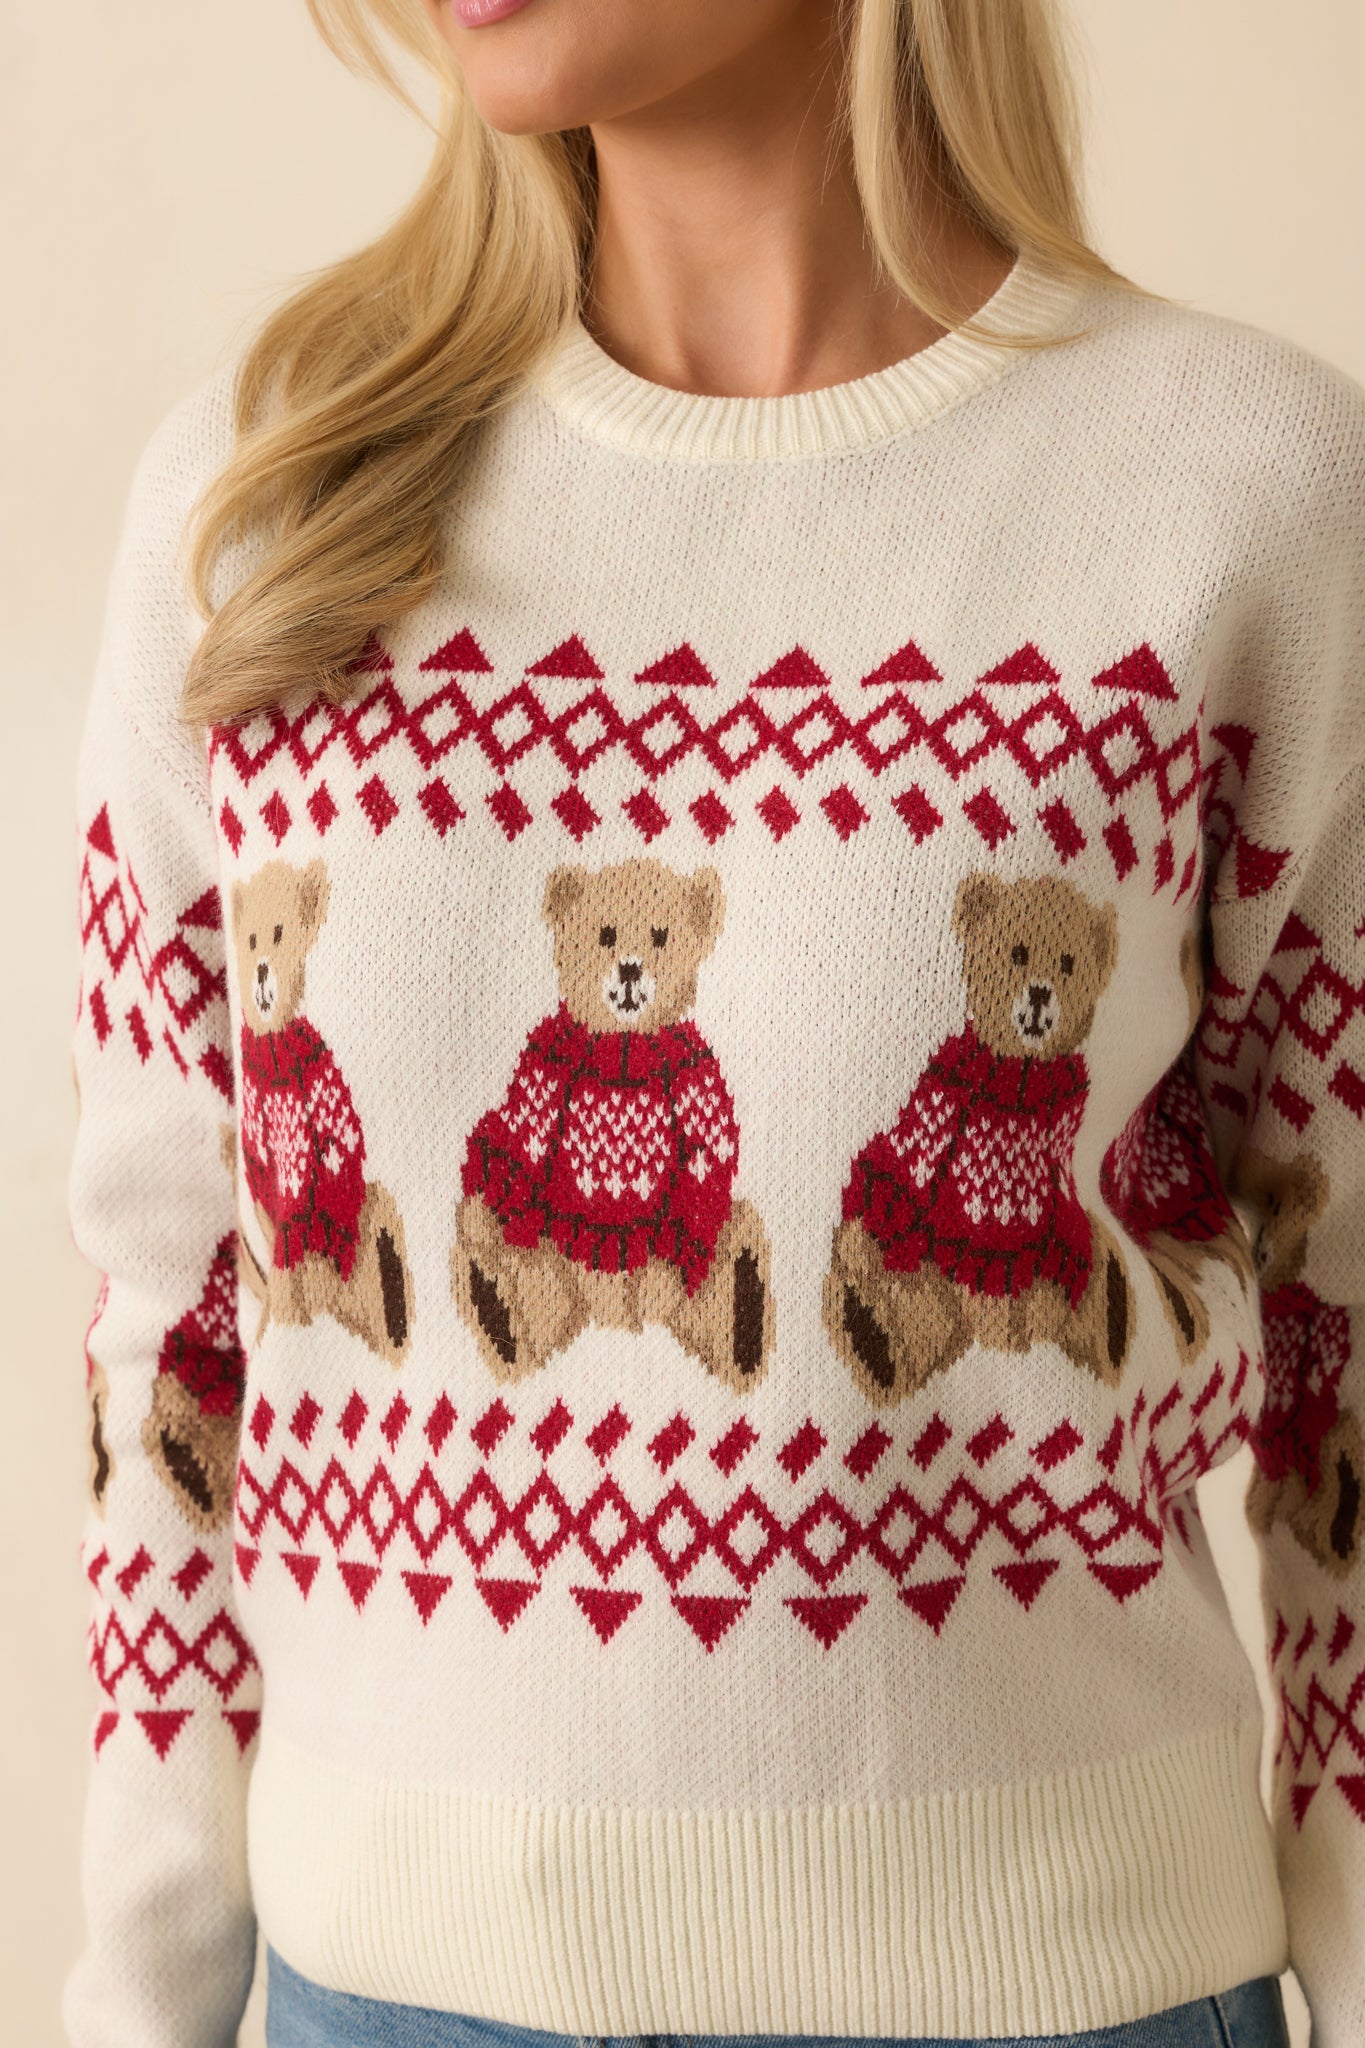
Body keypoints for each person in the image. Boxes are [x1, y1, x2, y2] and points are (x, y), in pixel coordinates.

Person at [62, 0, 1365, 2044]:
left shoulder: (1239, 493)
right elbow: (175, 1327)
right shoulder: (262, 499)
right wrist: (137, 2004)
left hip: (1066, 1987)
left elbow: (1338, 1319)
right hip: (379, 1997)